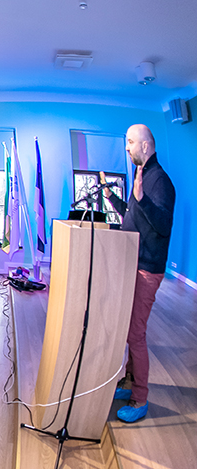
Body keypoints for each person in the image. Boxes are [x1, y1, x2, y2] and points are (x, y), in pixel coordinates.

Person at [102, 124, 176, 423]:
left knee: (136, 334)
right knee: (130, 330)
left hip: (147, 270)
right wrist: (111, 197)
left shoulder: (160, 181)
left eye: (130, 142)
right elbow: (133, 217)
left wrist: (142, 198)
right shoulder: (143, 177)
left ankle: (140, 397)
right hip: (131, 264)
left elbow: (162, 226)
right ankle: (129, 380)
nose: (127, 147)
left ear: (146, 145)